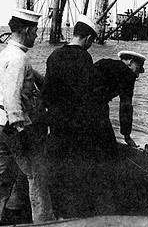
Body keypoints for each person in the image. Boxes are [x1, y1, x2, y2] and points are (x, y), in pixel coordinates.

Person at [42, 14, 115, 218]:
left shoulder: (54, 55)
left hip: (56, 128)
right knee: (78, 177)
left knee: (58, 175)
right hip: (78, 130)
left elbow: (46, 95)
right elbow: (89, 97)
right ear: (89, 39)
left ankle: (59, 217)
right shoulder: (84, 58)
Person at [0, 8, 55, 223]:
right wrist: (22, 129)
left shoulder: (5, 54)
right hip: (14, 126)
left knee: (3, 179)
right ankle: (44, 221)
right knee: (37, 176)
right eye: (35, 31)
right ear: (26, 30)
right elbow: (12, 98)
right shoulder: (19, 59)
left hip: (1, 126)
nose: (36, 35)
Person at [93, 50, 146, 151]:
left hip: (73, 104)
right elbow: (126, 106)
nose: (137, 75)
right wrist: (127, 136)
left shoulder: (103, 62)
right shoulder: (128, 74)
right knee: (109, 148)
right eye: (138, 69)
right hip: (95, 107)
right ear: (130, 61)